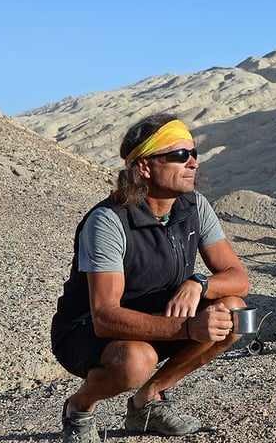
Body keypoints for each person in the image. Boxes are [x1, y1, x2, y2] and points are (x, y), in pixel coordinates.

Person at [50, 113, 250, 441]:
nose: (193, 163)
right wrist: (188, 328)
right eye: (179, 155)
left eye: (193, 154)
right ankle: (79, 408)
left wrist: (198, 283)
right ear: (145, 167)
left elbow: (238, 279)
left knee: (235, 312)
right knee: (135, 361)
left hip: (159, 317)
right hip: (88, 330)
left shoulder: (194, 205)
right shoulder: (108, 221)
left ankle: (147, 402)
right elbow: (104, 317)